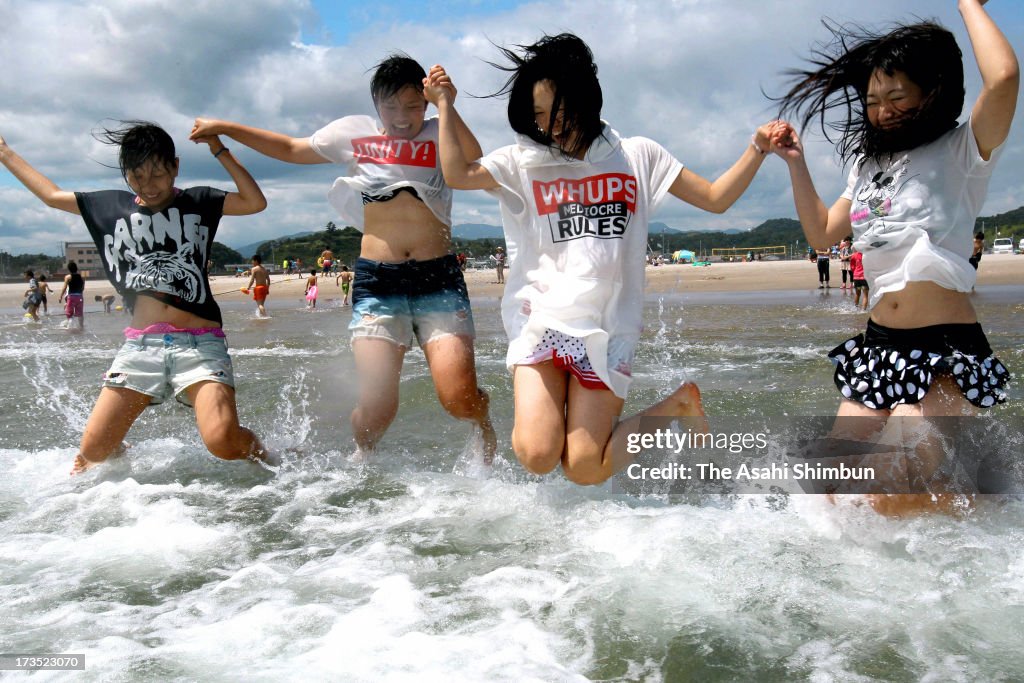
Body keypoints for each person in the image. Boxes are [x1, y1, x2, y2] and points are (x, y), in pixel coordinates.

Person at [425, 34, 784, 484]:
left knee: (584, 468)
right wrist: (444, 105)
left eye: (555, 111)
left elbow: (715, 199)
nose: (548, 126)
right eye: (537, 115)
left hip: (608, 327)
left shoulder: (636, 155)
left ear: (584, 99)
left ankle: (676, 406)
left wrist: (757, 149)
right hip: (543, 319)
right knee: (537, 454)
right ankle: (557, 414)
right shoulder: (525, 161)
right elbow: (458, 173)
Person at [772, 0, 1017, 514]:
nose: (880, 110)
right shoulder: (867, 164)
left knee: (890, 495)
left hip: (946, 353)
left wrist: (967, 4)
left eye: (896, 96)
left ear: (932, 94)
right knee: (833, 493)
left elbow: (1004, 80)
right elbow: (822, 233)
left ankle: (982, 532)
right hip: (880, 348)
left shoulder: (962, 151)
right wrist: (795, 163)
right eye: (872, 98)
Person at [191, 53, 496, 459]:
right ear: (375, 103)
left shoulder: (441, 132)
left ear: (425, 102)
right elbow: (290, 148)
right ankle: (362, 450)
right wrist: (225, 128)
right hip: (377, 283)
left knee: (458, 398)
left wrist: (446, 103)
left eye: (412, 106)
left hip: (437, 279)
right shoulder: (354, 133)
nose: (402, 118)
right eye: (391, 107)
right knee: (376, 411)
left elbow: (472, 158)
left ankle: (482, 419)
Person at [0, 121, 275, 474]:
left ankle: (262, 451)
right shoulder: (108, 207)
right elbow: (51, 196)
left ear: (175, 167)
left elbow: (255, 202)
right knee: (95, 451)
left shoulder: (199, 201)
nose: (149, 185)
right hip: (140, 346)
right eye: (138, 175)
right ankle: (118, 446)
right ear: (126, 173)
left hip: (200, 344)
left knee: (222, 441)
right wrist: (5, 153)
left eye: (158, 174)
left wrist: (218, 149)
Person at [58, 260, 86, 331]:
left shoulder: (68, 277)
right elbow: (82, 288)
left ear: (69, 269)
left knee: (69, 313)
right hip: (80, 297)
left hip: (71, 297)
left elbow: (64, 287)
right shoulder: (82, 277)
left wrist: (60, 296)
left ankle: (69, 328)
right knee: (80, 313)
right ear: (76, 268)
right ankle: (81, 327)